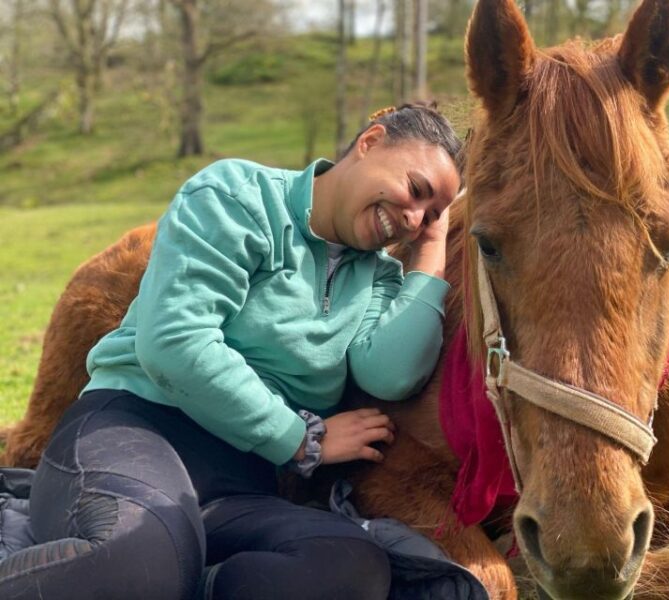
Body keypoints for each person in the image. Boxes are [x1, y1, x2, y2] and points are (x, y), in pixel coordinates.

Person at [0, 103, 462, 600]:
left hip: (238, 483)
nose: (414, 217)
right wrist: (300, 439)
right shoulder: (239, 195)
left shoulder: (377, 280)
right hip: (133, 430)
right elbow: (175, 343)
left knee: (351, 566)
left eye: (431, 213)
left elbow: (391, 374)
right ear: (371, 142)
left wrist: (431, 249)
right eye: (415, 190)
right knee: (138, 556)